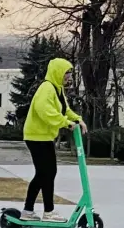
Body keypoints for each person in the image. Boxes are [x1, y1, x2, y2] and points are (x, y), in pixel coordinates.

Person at [22, 56, 83, 215]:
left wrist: (77, 119)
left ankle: (30, 210)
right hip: (36, 136)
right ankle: (45, 211)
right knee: (45, 173)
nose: (69, 76)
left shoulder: (58, 89)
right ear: (57, 72)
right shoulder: (46, 88)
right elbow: (46, 112)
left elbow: (65, 110)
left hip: (45, 137)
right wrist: (66, 123)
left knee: (47, 173)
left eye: (70, 73)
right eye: (66, 73)